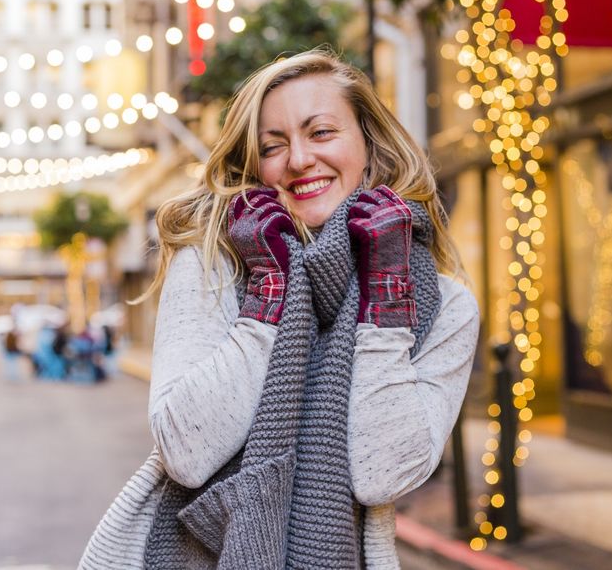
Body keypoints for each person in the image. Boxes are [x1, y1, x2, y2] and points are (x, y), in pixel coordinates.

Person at [80, 49, 480, 569]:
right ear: (254, 165)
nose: (298, 160)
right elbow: (186, 453)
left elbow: (381, 473)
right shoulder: (215, 263)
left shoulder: (444, 304)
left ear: (368, 143)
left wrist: (386, 292)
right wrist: (269, 293)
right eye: (273, 146)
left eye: (321, 133)